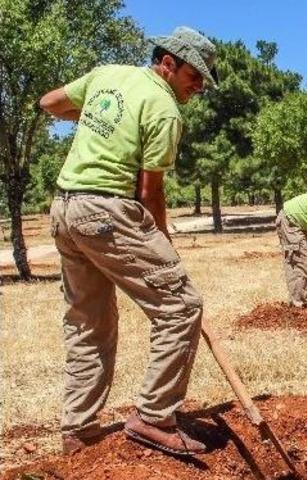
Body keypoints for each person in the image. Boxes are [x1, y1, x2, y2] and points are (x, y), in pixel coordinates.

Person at [39, 26, 218, 456]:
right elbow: (149, 192)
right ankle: (155, 416)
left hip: (65, 210)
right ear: (168, 63)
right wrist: (163, 242)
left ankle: (78, 431)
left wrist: (98, 122)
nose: (199, 87)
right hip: (107, 212)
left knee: (89, 323)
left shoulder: (107, 74)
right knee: (180, 307)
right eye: (195, 76)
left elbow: (50, 103)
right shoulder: (164, 108)